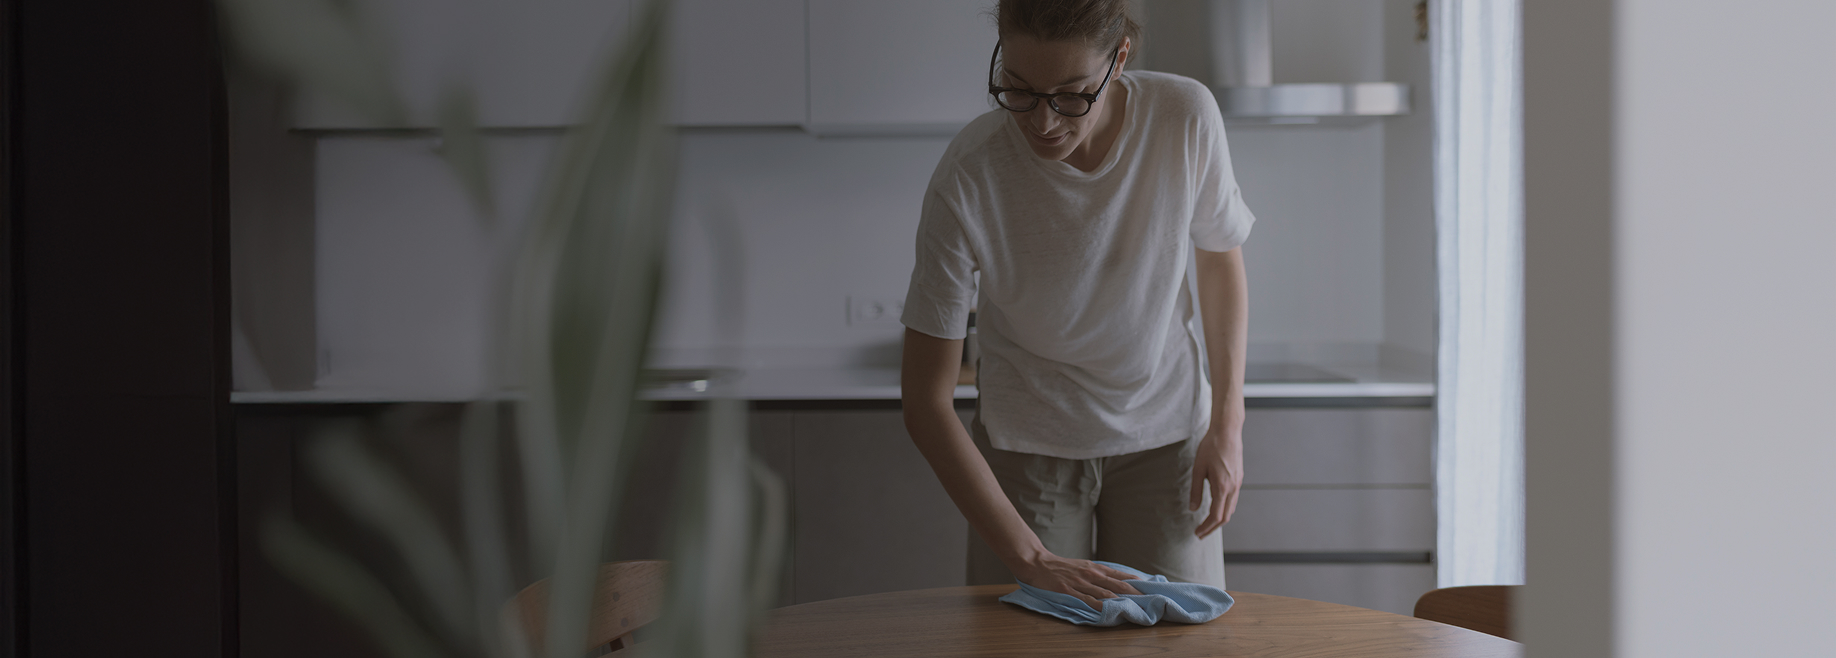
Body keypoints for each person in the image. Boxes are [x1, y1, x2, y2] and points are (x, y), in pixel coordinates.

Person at [898, 0, 1254, 610]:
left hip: (1164, 434)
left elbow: (1219, 259)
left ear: (1118, 60)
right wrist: (1031, 557)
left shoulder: (1183, 116)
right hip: (1028, 446)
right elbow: (925, 401)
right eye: (1017, 88)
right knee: (1027, 642)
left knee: (1175, 640)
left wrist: (1228, 424)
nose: (1041, 121)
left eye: (1069, 95)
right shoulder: (969, 173)